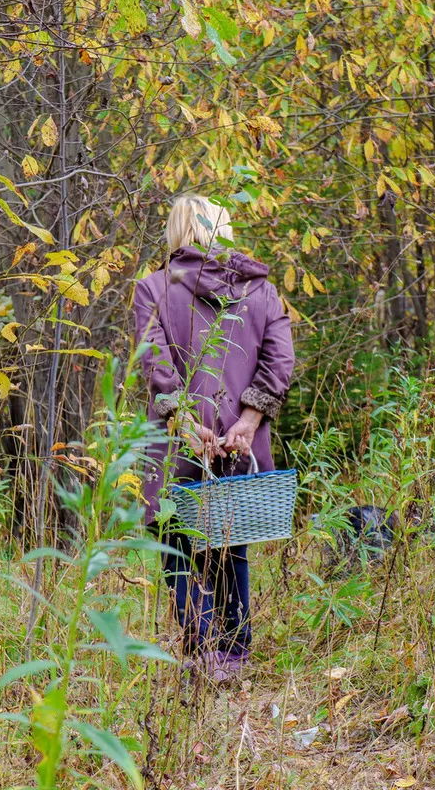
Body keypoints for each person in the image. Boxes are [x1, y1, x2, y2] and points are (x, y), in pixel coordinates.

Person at [134, 195, 295, 682]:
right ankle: (230, 653)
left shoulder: (154, 288)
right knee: (228, 537)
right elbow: (279, 360)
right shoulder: (262, 291)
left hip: (175, 444)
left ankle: (201, 646)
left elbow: (154, 359)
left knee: (173, 538)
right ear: (221, 229)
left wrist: (184, 421)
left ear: (176, 230)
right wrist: (246, 424)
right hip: (235, 446)